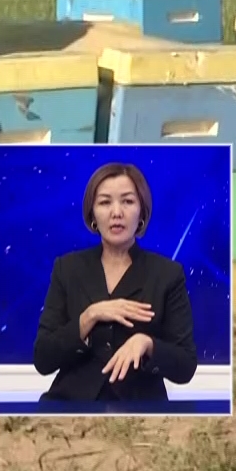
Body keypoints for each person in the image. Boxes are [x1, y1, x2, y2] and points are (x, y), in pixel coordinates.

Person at [32, 162, 198, 403]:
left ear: (141, 212)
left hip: (140, 408)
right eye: (105, 202)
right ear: (92, 214)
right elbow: (43, 359)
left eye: (128, 201)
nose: (116, 212)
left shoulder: (167, 274)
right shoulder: (67, 268)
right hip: (71, 403)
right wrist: (89, 317)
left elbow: (185, 366)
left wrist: (147, 344)